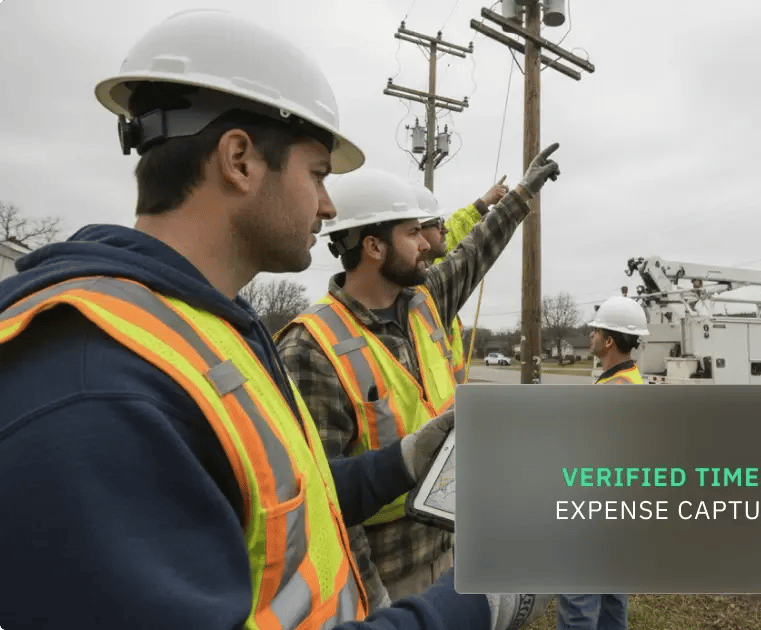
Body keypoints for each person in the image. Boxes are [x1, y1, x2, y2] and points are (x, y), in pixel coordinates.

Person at [0, 9, 551, 630]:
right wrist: (476, 603)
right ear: (239, 159)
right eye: (317, 174)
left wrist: (399, 462)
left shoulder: (214, 332)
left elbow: (285, 501)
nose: (328, 205)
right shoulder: (95, 389)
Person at [276, 151, 560, 606]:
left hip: (449, 546)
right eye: (412, 233)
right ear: (374, 247)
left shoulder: (425, 301)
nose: (426, 243)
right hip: (386, 577)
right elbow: (322, 498)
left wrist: (523, 192)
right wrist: (371, 599)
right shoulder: (310, 347)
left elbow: (475, 250)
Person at [557, 296, 651, 630]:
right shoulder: (627, 379)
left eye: (596, 330)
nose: (591, 334)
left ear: (609, 340)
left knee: (578, 602)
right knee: (611, 597)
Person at [412, 176, 510, 383]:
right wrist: (520, 196)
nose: (445, 229)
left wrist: (484, 202)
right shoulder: (419, 288)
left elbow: (457, 228)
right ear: (414, 231)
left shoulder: (434, 268)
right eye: (438, 223)